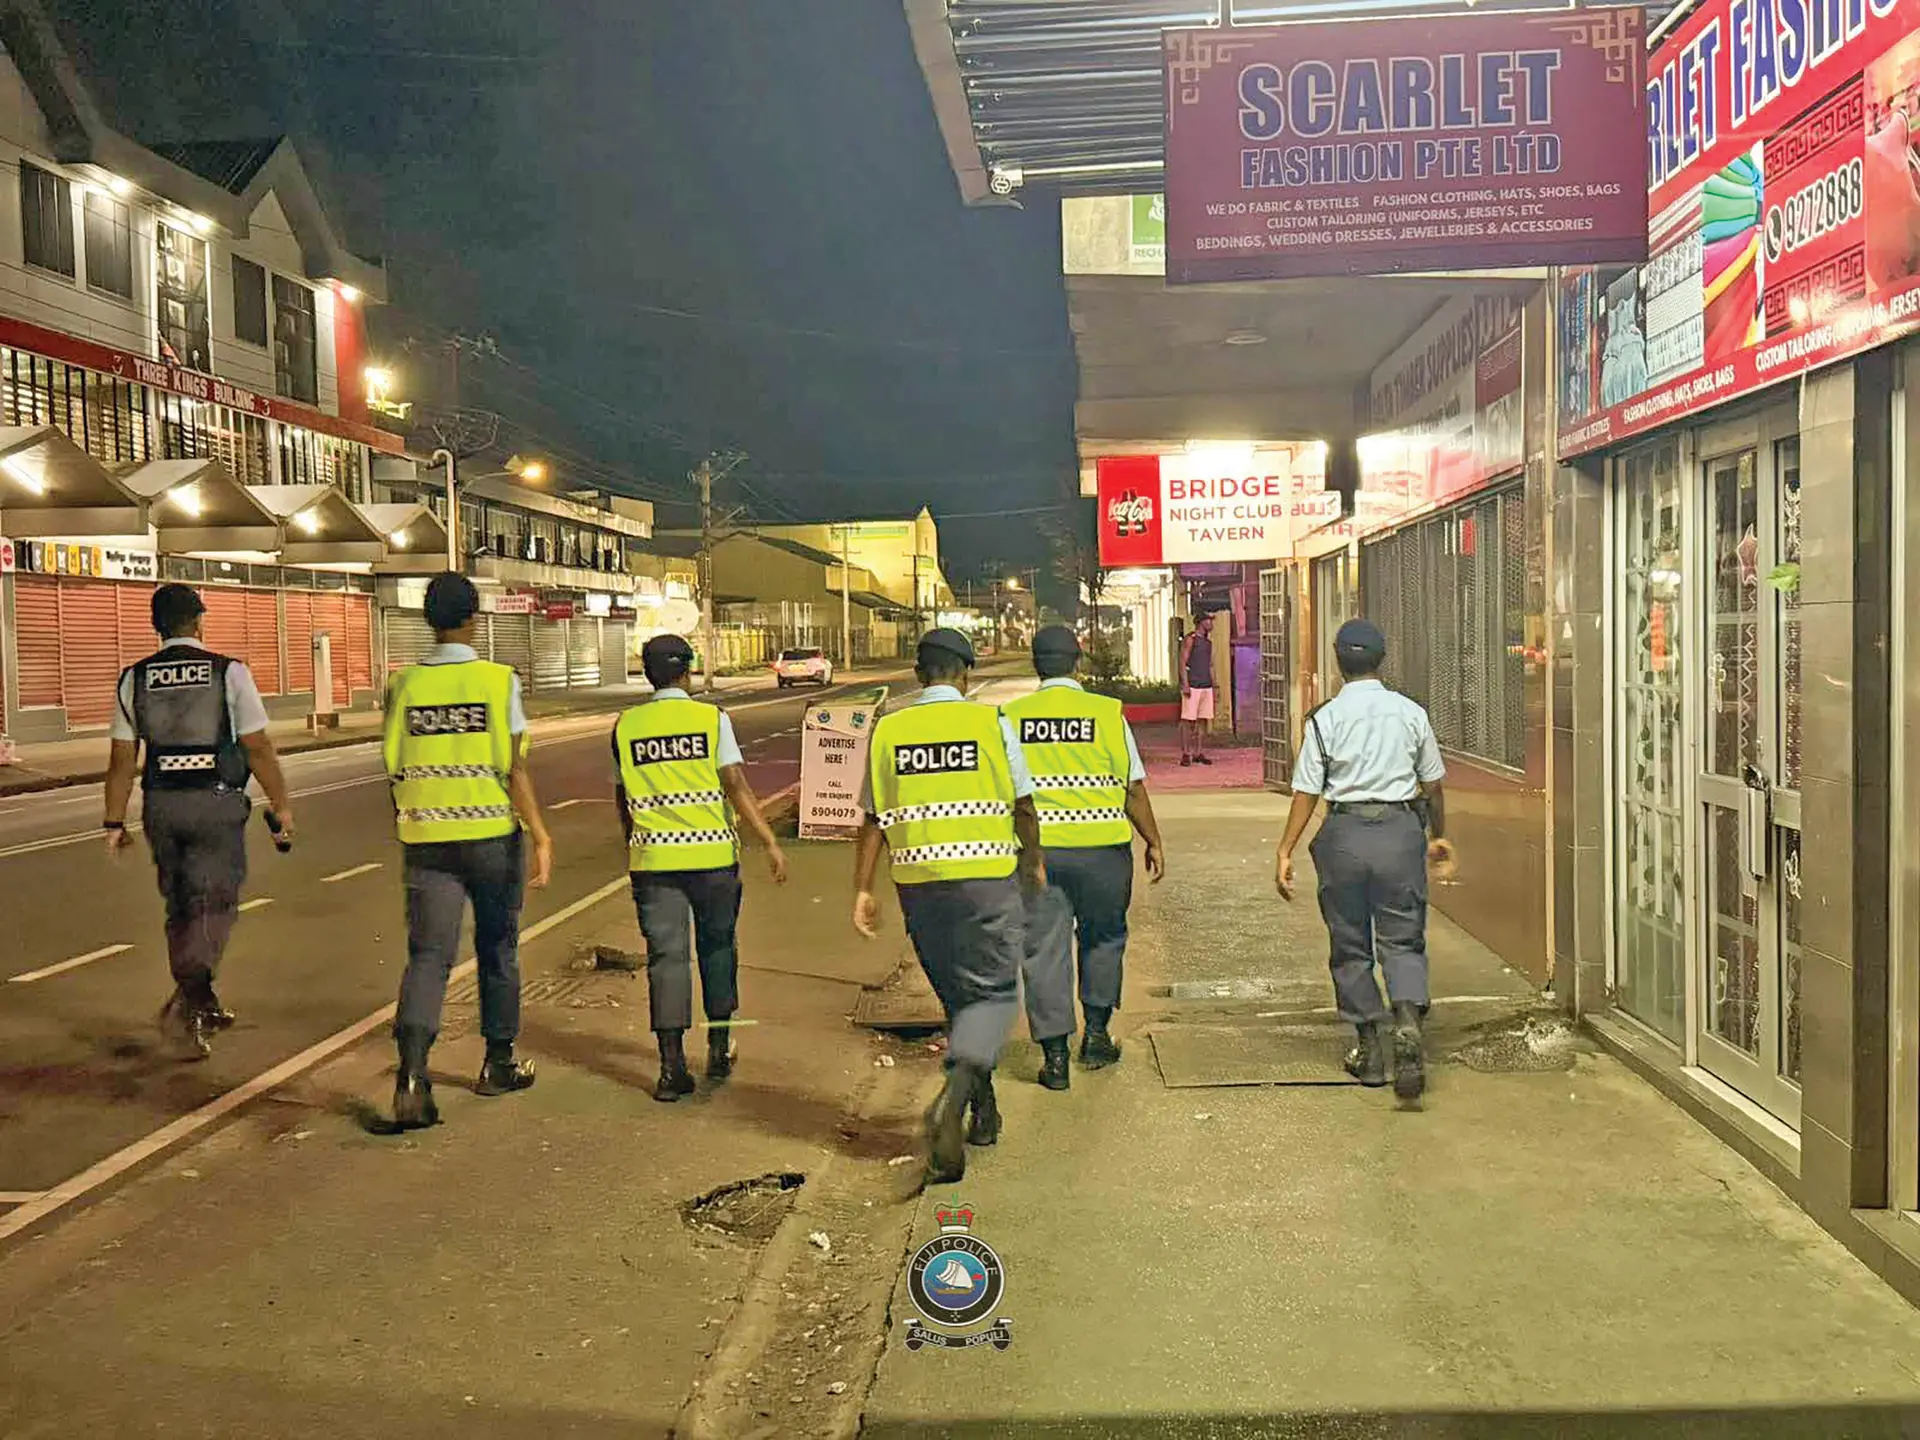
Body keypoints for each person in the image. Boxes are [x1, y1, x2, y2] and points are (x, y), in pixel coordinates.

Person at [851, 628, 1042, 1187]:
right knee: (994, 995)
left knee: (959, 997)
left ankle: (984, 1112)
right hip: (986, 879)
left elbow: (873, 819)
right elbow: (1023, 805)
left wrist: (862, 889)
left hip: (920, 885)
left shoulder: (888, 729)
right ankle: (953, 1101)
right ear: (965, 673)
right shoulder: (991, 723)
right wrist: (1033, 863)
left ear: (918, 674)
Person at [383, 572, 554, 1130]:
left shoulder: (403, 685)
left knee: (428, 956)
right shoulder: (498, 681)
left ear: (428, 620)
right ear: (473, 619)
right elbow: (514, 767)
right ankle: (498, 1064)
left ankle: (411, 1076)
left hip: (426, 840)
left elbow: (393, 765)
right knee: (498, 948)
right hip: (490, 838)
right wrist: (540, 834)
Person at [103, 583, 296, 1060]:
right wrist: (281, 804)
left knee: (181, 905)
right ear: (198, 621)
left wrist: (113, 822)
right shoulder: (228, 672)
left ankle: (199, 999)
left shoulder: (133, 679)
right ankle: (191, 999)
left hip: (161, 807)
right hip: (214, 803)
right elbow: (257, 746)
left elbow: (122, 758)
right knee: (215, 904)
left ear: (157, 626)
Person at [1273, 618, 1452, 1101]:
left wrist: (1286, 848)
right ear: (1382, 659)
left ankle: (1370, 1051)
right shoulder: (1411, 713)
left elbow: (1307, 791)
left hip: (1345, 836)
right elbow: (1433, 785)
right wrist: (1438, 836)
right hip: (1399, 833)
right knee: (1403, 938)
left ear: (1338, 661)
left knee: (1350, 944)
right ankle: (1408, 1021)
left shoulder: (1324, 720)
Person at [614, 633, 788, 1102]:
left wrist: (635, 846)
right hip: (712, 860)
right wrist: (769, 840)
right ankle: (718, 1047)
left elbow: (623, 798)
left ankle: (671, 1067)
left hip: (654, 863)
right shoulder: (711, 720)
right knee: (717, 949)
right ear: (687, 672)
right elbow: (734, 783)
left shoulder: (626, 726)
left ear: (647, 674)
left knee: (666, 958)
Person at [1003, 625, 1165, 1090]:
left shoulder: (1010, 718)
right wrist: (1153, 839)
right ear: (1078, 663)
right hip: (1103, 853)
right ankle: (1095, 1037)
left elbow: (1006, 792)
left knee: (1043, 949)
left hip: (1039, 856)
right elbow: (1132, 788)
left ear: (1036, 665)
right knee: (1104, 938)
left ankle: (1055, 1058)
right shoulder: (1106, 713)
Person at [1178, 611, 1217, 766]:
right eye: (1209, 620)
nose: (1211, 624)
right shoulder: (1191, 639)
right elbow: (1182, 662)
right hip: (1193, 684)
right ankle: (1186, 753)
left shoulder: (1208, 643)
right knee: (1187, 720)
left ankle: (1199, 752)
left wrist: (1214, 684)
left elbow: (1210, 664)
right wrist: (1185, 684)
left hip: (1206, 684)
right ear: (1201, 622)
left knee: (1203, 719)